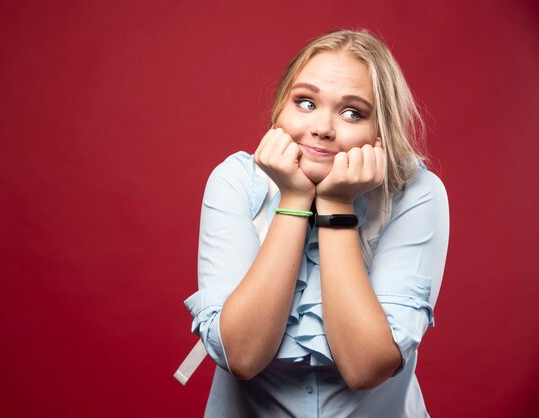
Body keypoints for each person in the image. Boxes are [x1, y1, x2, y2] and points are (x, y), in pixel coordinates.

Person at [184, 28, 449, 417]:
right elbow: (242, 355)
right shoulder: (235, 181)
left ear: (382, 132)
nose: (322, 128)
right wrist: (294, 199)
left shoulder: (416, 192)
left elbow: (366, 366)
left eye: (352, 112)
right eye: (305, 102)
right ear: (280, 109)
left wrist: (336, 204)